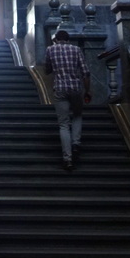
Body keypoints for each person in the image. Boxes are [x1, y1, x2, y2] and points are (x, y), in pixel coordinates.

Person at [45, 29, 91, 171]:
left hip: (60, 88)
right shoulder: (76, 49)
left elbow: (47, 70)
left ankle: (67, 159)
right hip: (75, 88)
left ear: (56, 39)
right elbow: (85, 72)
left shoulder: (50, 49)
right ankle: (76, 143)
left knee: (63, 124)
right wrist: (87, 90)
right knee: (77, 115)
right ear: (68, 39)